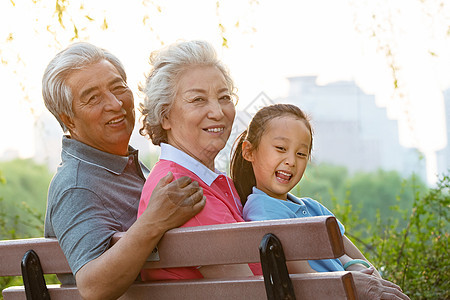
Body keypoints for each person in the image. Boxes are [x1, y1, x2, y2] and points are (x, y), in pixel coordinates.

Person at [42, 42, 206, 300]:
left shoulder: (124, 162)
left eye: (119, 87)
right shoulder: (76, 186)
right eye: (93, 98)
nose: (116, 103)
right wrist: (153, 221)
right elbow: (93, 286)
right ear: (69, 119)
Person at [231, 104, 410, 299]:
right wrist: (353, 278)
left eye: (301, 153)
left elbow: (359, 259)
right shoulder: (263, 212)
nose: (291, 160)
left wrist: (362, 272)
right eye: (281, 148)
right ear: (249, 151)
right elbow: (307, 279)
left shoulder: (312, 207)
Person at [137, 40, 262, 280]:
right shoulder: (184, 193)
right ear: (165, 117)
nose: (217, 112)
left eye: (224, 97)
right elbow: (249, 289)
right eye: (198, 100)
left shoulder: (193, 181)